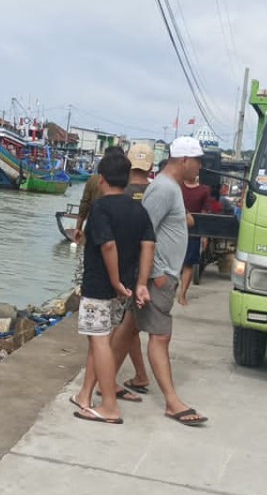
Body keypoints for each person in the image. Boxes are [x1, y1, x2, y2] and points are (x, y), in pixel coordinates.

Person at [70, 152, 156, 425]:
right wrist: (140, 283)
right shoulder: (138, 209)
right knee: (99, 339)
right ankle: (85, 395)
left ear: (102, 179)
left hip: (100, 286)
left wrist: (115, 280)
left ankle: (109, 406)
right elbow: (148, 246)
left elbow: (108, 245)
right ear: (128, 177)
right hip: (125, 288)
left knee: (99, 341)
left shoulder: (101, 209)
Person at [136, 136, 208, 426]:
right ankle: (171, 401)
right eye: (198, 160)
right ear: (184, 161)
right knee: (160, 336)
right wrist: (155, 274)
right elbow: (144, 232)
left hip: (164, 274)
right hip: (160, 276)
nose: (200, 166)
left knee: (127, 331)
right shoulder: (164, 188)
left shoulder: (171, 188)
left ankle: (98, 387)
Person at [107, 142, 157, 400]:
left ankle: (108, 379)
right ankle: (139, 374)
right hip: (148, 268)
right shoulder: (157, 192)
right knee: (131, 326)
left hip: (123, 267)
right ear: (151, 166)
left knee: (123, 326)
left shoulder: (118, 192)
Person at [75, 146, 126, 243]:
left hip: (93, 228)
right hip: (116, 233)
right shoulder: (124, 183)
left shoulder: (93, 180)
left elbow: (84, 206)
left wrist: (78, 228)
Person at [179, 173, 213, 306]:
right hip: (176, 230)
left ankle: (182, 294)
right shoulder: (178, 187)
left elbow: (204, 213)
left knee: (189, 264)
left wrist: (204, 236)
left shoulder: (204, 190)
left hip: (194, 233)